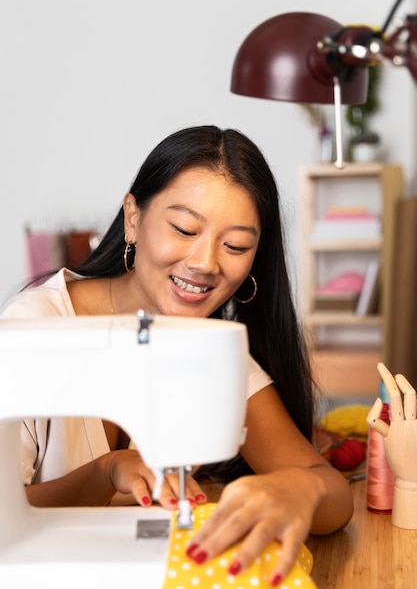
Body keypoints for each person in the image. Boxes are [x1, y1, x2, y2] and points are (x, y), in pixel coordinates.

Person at [1, 125, 353, 586]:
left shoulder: (208, 349)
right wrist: (106, 472)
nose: (206, 263)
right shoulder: (30, 331)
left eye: (236, 246)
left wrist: (299, 488)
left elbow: (333, 499)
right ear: (133, 217)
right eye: (184, 229)